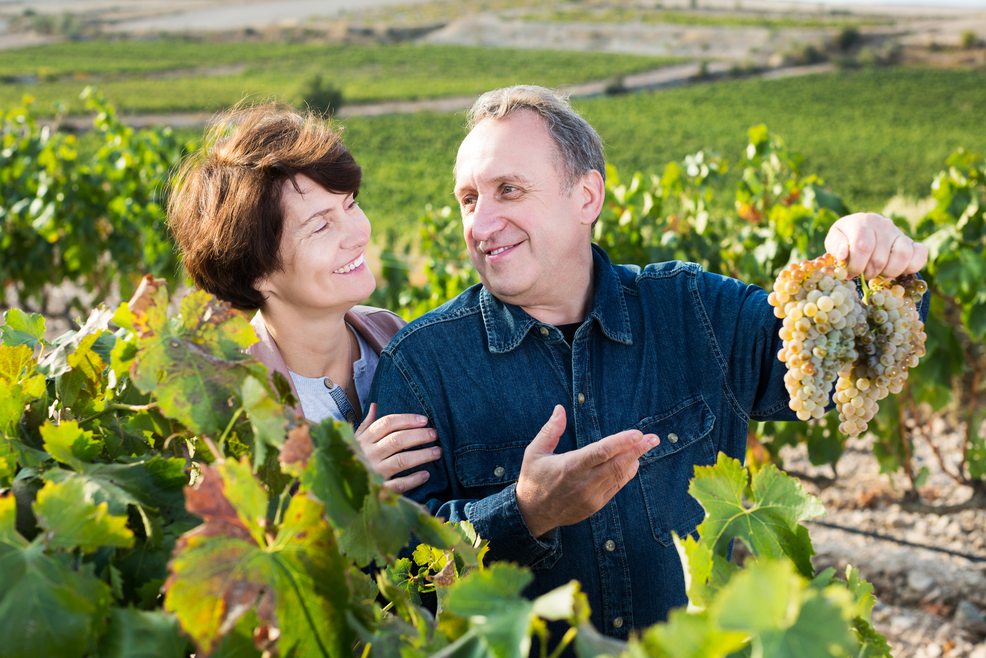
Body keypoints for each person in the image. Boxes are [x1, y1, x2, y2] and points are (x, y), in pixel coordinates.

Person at [369, 85, 929, 638]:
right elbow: (397, 582)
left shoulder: (696, 311)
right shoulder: (422, 367)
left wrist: (883, 260)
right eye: (469, 199)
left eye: (509, 190)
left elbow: (838, 369)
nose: (481, 225)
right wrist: (524, 514)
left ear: (587, 196)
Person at [167, 102, 439, 493]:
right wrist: (340, 485)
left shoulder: (395, 334)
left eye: (351, 204)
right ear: (256, 272)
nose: (359, 233)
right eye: (320, 226)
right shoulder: (231, 411)